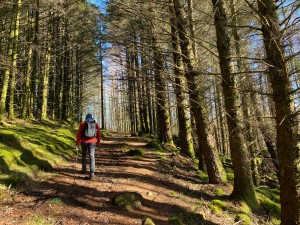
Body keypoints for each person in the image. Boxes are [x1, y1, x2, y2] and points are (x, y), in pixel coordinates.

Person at [76, 114, 101, 180]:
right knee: (92, 156)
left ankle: (84, 169)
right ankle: (92, 173)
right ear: (91, 117)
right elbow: (98, 133)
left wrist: (77, 143)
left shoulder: (82, 123)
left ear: (86, 118)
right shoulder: (95, 124)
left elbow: (79, 134)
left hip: (83, 142)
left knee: (84, 155)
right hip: (92, 142)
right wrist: (98, 142)